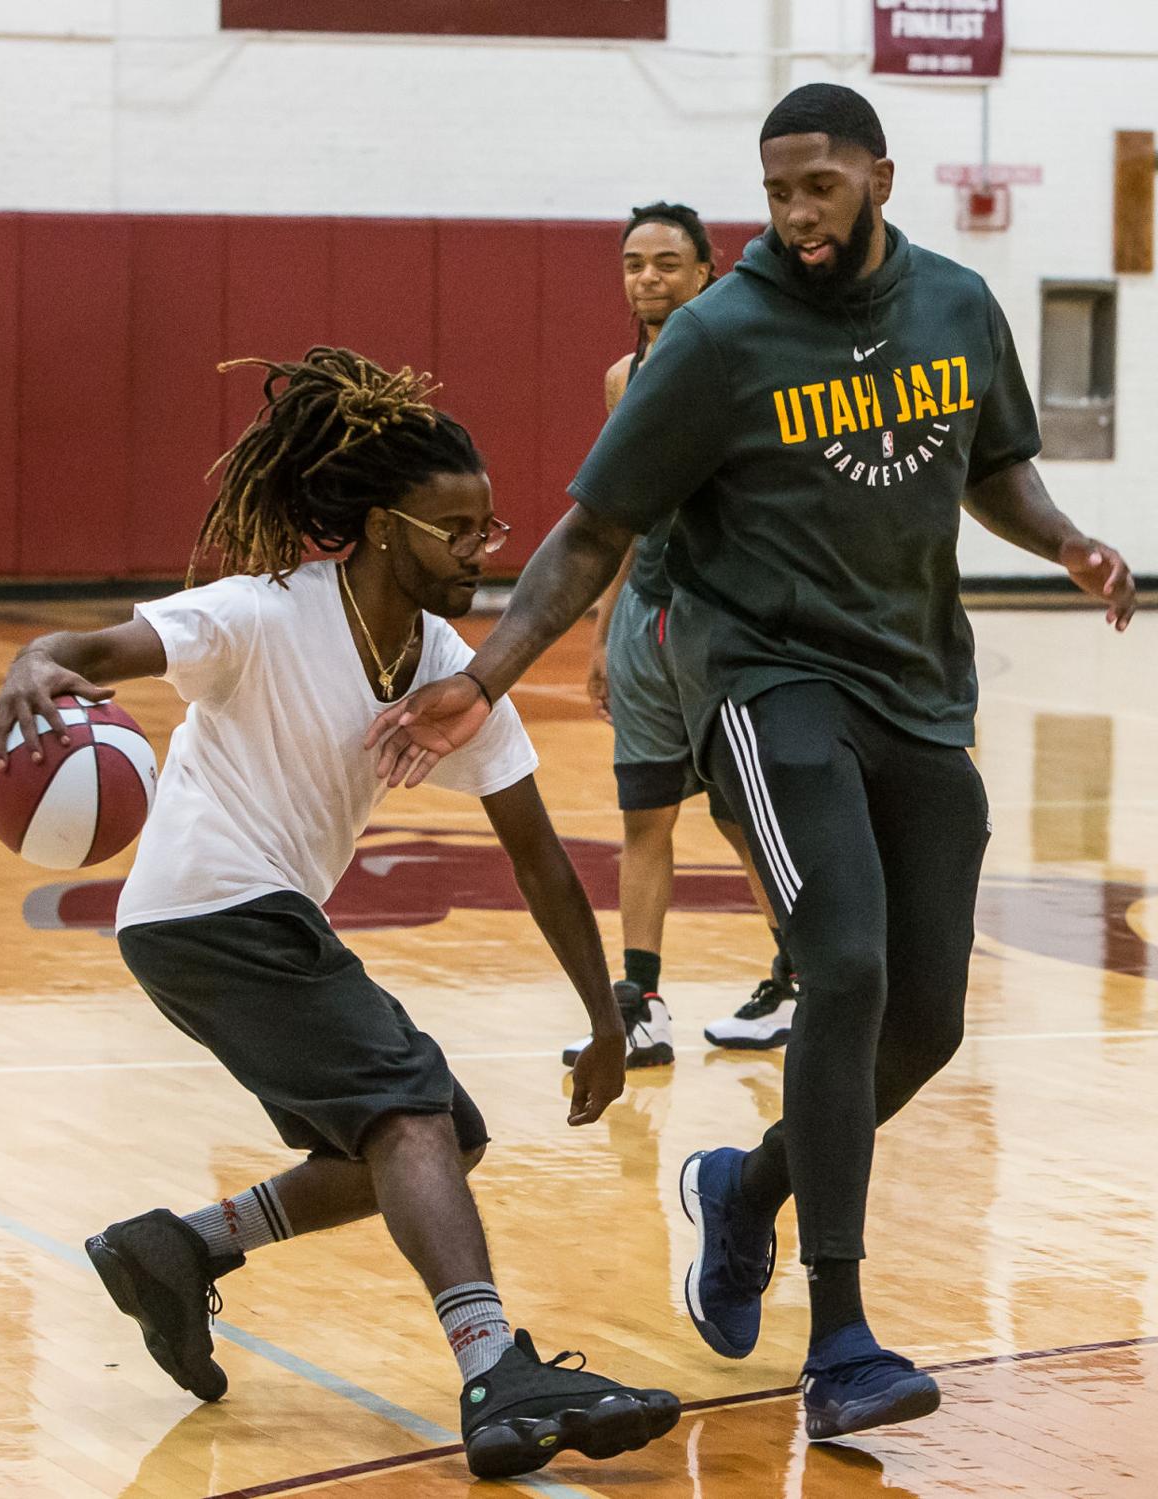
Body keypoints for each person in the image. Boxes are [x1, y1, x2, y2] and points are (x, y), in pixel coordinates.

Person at [364, 84, 1137, 1442]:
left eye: (820, 188)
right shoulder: (720, 338)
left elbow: (995, 465)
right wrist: (481, 673)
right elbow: (595, 529)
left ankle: (750, 1187)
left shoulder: (957, 307)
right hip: (765, 682)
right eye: (777, 192)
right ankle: (839, 1333)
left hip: (917, 686)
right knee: (842, 960)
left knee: (928, 1016)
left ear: (879, 179)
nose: (795, 214)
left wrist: (1066, 537)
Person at [0, 348, 679, 1481]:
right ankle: (495, 1368)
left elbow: (542, 857)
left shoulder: (450, 666)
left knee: (444, 1134)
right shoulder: (256, 615)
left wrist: (609, 1019)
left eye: (490, 530)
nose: (480, 552)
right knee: (407, 1112)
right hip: (208, 903)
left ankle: (181, 1245)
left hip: (250, 915)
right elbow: (91, 649)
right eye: (458, 529)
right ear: (384, 525)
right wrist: (32, 658)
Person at [563, 200, 797, 1073]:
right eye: (634, 263)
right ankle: (643, 1001)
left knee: (746, 819)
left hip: (721, 622)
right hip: (644, 619)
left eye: (667, 261)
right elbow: (620, 514)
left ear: (708, 270)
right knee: (643, 812)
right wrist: (599, 631)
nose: (649, 277)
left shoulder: (742, 362)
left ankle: (796, 979)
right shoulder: (625, 378)